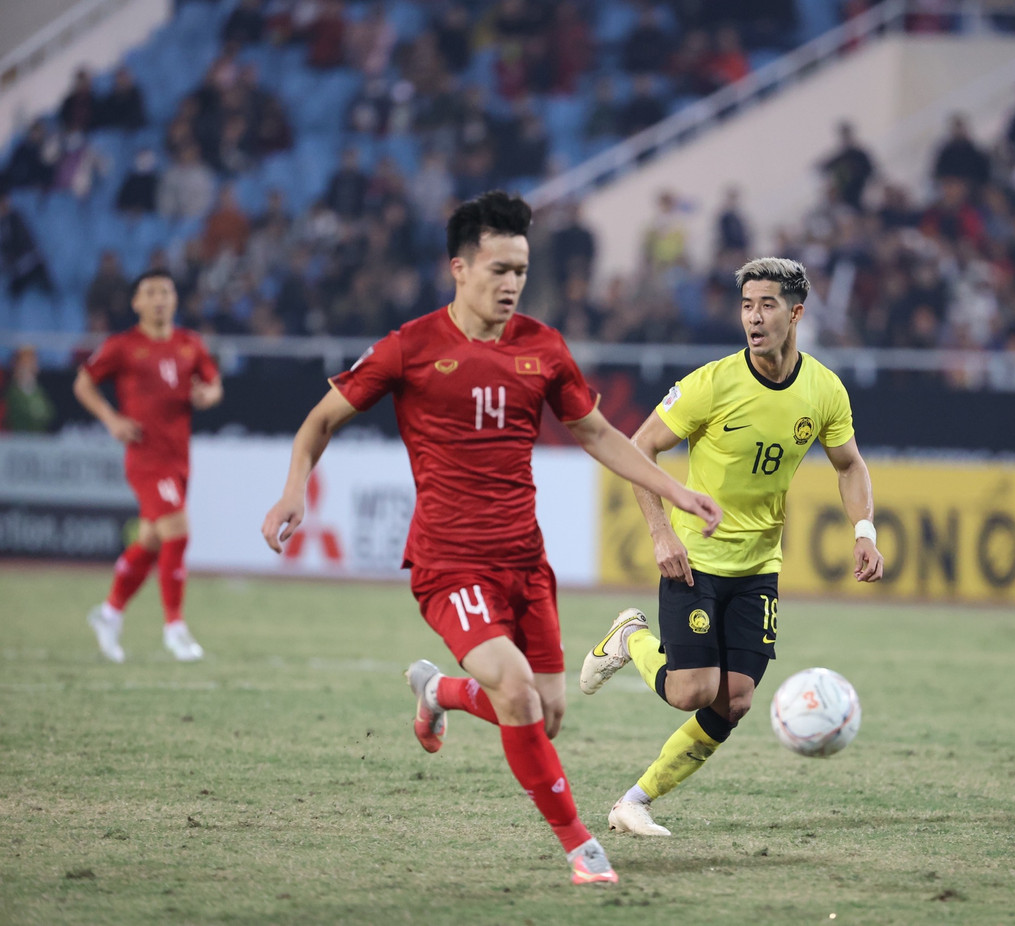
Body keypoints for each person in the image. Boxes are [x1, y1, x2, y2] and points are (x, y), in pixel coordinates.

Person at [258, 191, 722, 885]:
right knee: (515, 690)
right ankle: (581, 848)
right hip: (449, 562)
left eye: (521, 271)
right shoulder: (409, 348)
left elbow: (595, 433)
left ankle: (439, 692)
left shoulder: (543, 347)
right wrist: (294, 486)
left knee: (547, 712)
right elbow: (320, 421)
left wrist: (674, 489)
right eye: (499, 268)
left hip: (525, 563)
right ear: (460, 269)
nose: (511, 284)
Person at [578, 257, 884, 837]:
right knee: (692, 690)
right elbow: (640, 448)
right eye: (746, 305)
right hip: (695, 556)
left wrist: (863, 530)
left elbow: (850, 464)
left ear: (795, 314)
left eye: (767, 305)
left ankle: (633, 802)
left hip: (760, 564)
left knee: (734, 701)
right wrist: (662, 531)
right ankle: (630, 638)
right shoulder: (711, 384)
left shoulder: (824, 389)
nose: (754, 317)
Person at [75, 270, 224, 663]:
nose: (159, 299)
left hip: (179, 458)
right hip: (145, 457)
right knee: (178, 531)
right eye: (150, 293)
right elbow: (83, 383)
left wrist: (207, 395)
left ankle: (108, 613)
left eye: (165, 292)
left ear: (175, 300)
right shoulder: (122, 346)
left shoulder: (190, 344)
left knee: (151, 542)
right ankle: (174, 627)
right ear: (136, 303)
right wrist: (111, 419)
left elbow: (213, 384)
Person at [3, 345, 55, 432]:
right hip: (18, 439)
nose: (30, 366)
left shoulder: (38, 390)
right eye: (25, 363)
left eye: (33, 362)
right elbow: (19, 416)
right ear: (16, 365)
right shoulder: (11, 392)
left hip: (40, 439)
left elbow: (50, 413)